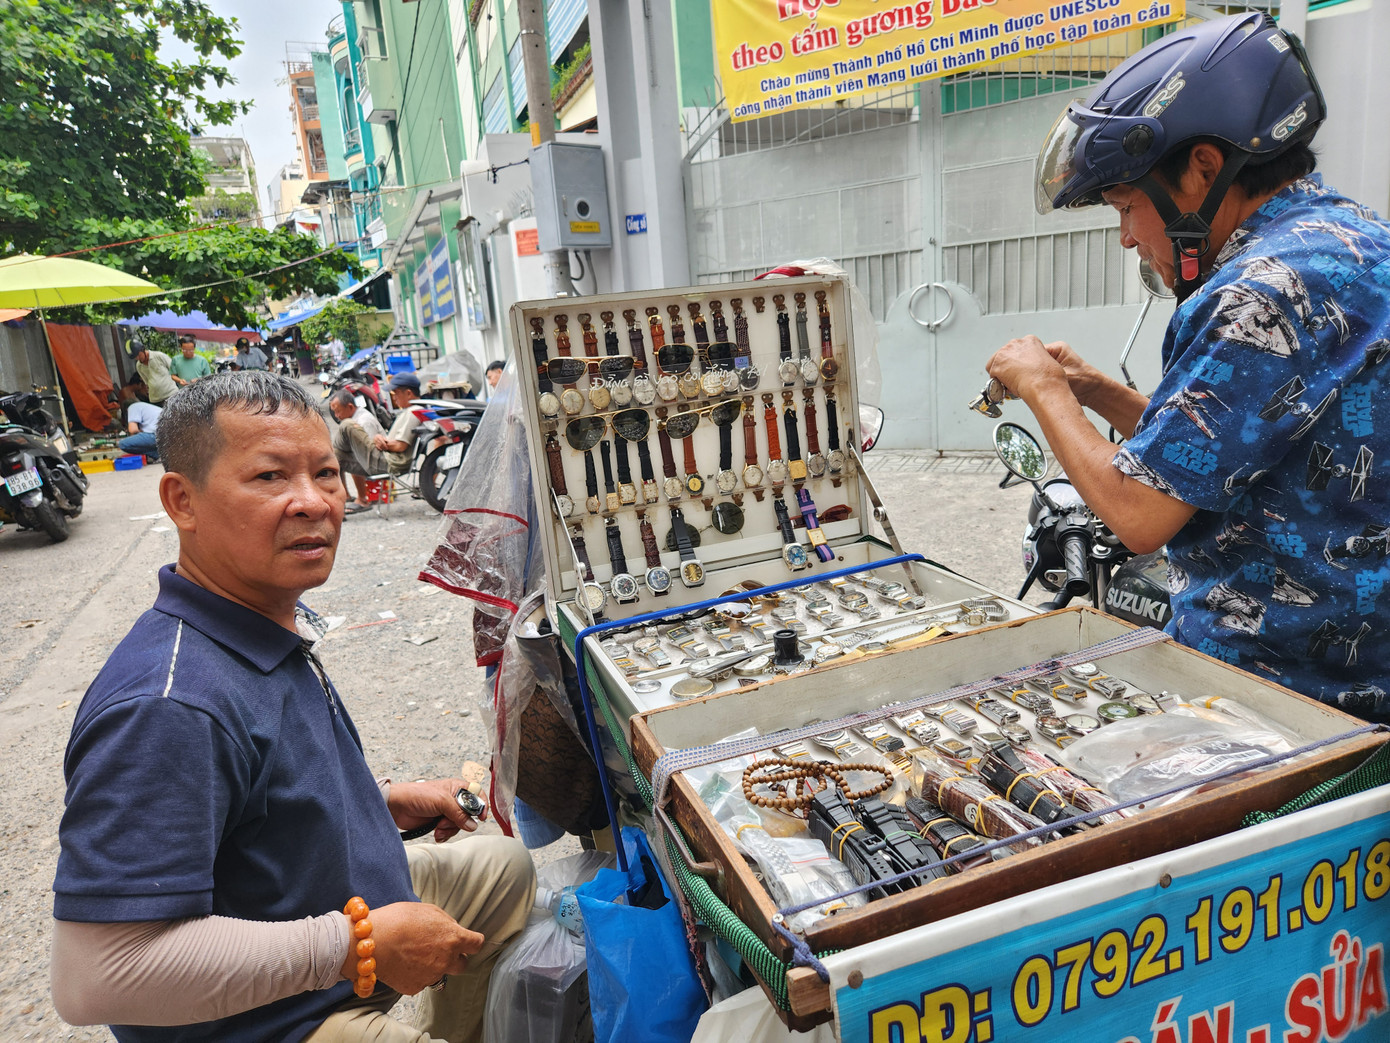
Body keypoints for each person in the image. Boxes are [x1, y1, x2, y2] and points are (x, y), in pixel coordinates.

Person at [51, 371, 535, 1041]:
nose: (313, 501)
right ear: (181, 500)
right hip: (265, 1020)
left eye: (326, 473)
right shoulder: (167, 706)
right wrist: (355, 944)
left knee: (500, 869)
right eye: (270, 477)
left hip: (323, 921)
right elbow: (96, 974)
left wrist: (381, 801)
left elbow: (255, 793)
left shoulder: (256, 618)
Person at [987, 12, 1390, 722]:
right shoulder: (1353, 243)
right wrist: (1098, 391)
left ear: (1204, 167)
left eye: (1126, 205)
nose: (1127, 238)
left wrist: (1045, 390)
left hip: (1279, 704)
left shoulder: (1258, 293)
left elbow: (1141, 514)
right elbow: (1232, 447)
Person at [328, 387, 388, 513]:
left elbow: (370, 450)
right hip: (368, 459)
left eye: (338, 412)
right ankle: (346, 497)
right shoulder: (355, 417)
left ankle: (361, 499)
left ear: (350, 407)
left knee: (337, 458)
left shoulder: (364, 421)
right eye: (335, 413)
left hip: (376, 463)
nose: (337, 416)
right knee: (335, 455)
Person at [376, 371, 424, 473]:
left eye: (396, 393)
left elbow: (400, 446)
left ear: (408, 394)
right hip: (389, 457)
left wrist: (379, 442)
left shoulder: (414, 411)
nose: (394, 397)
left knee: (348, 427)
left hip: (393, 460)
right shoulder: (409, 410)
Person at [127, 339, 177, 405]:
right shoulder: (139, 366)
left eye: (138, 355)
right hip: (155, 400)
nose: (138, 358)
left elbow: (174, 370)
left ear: (142, 349)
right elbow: (146, 382)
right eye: (135, 357)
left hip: (171, 395)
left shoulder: (159, 356)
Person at [117, 385, 161, 459]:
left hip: (156, 435)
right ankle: (160, 454)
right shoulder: (146, 407)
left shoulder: (132, 407)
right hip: (168, 434)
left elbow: (133, 430)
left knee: (123, 444)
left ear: (127, 410)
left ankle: (156, 455)